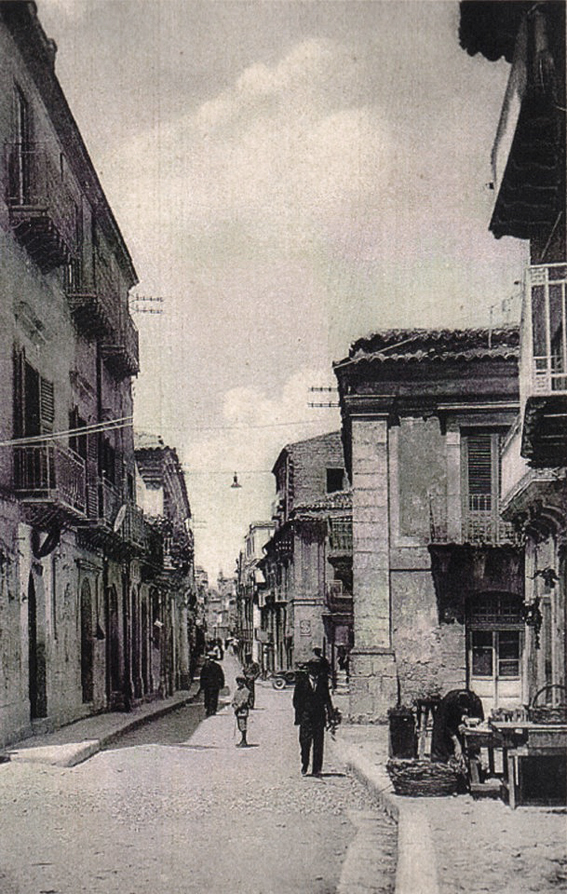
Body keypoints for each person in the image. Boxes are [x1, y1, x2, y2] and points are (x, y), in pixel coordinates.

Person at [293, 658, 334, 777]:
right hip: (306, 717)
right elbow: (296, 700)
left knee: (318, 744)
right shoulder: (301, 682)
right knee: (305, 743)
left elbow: (327, 699)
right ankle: (305, 763)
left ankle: (316, 769)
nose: (315, 670)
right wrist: (300, 714)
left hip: (319, 718)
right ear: (309, 669)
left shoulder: (322, 682)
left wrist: (330, 714)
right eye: (312, 667)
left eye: (317, 668)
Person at [431, 688, 484, 765]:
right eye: (462, 709)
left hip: (462, 725)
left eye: (466, 709)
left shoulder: (476, 702)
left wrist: (469, 723)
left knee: (470, 752)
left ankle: (470, 763)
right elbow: (445, 725)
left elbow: (481, 721)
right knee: (440, 739)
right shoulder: (449, 702)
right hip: (446, 722)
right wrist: (456, 742)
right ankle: (442, 762)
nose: (465, 710)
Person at [232, 676, 252, 747]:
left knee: (243, 726)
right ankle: (242, 740)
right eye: (237, 682)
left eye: (240, 682)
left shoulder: (246, 691)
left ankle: (244, 740)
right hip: (237, 711)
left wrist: (238, 707)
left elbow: (244, 701)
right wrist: (233, 704)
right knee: (239, 726)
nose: (239, 683)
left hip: (243, 710)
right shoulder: (237, 690)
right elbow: (234, 699)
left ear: (243, 682)